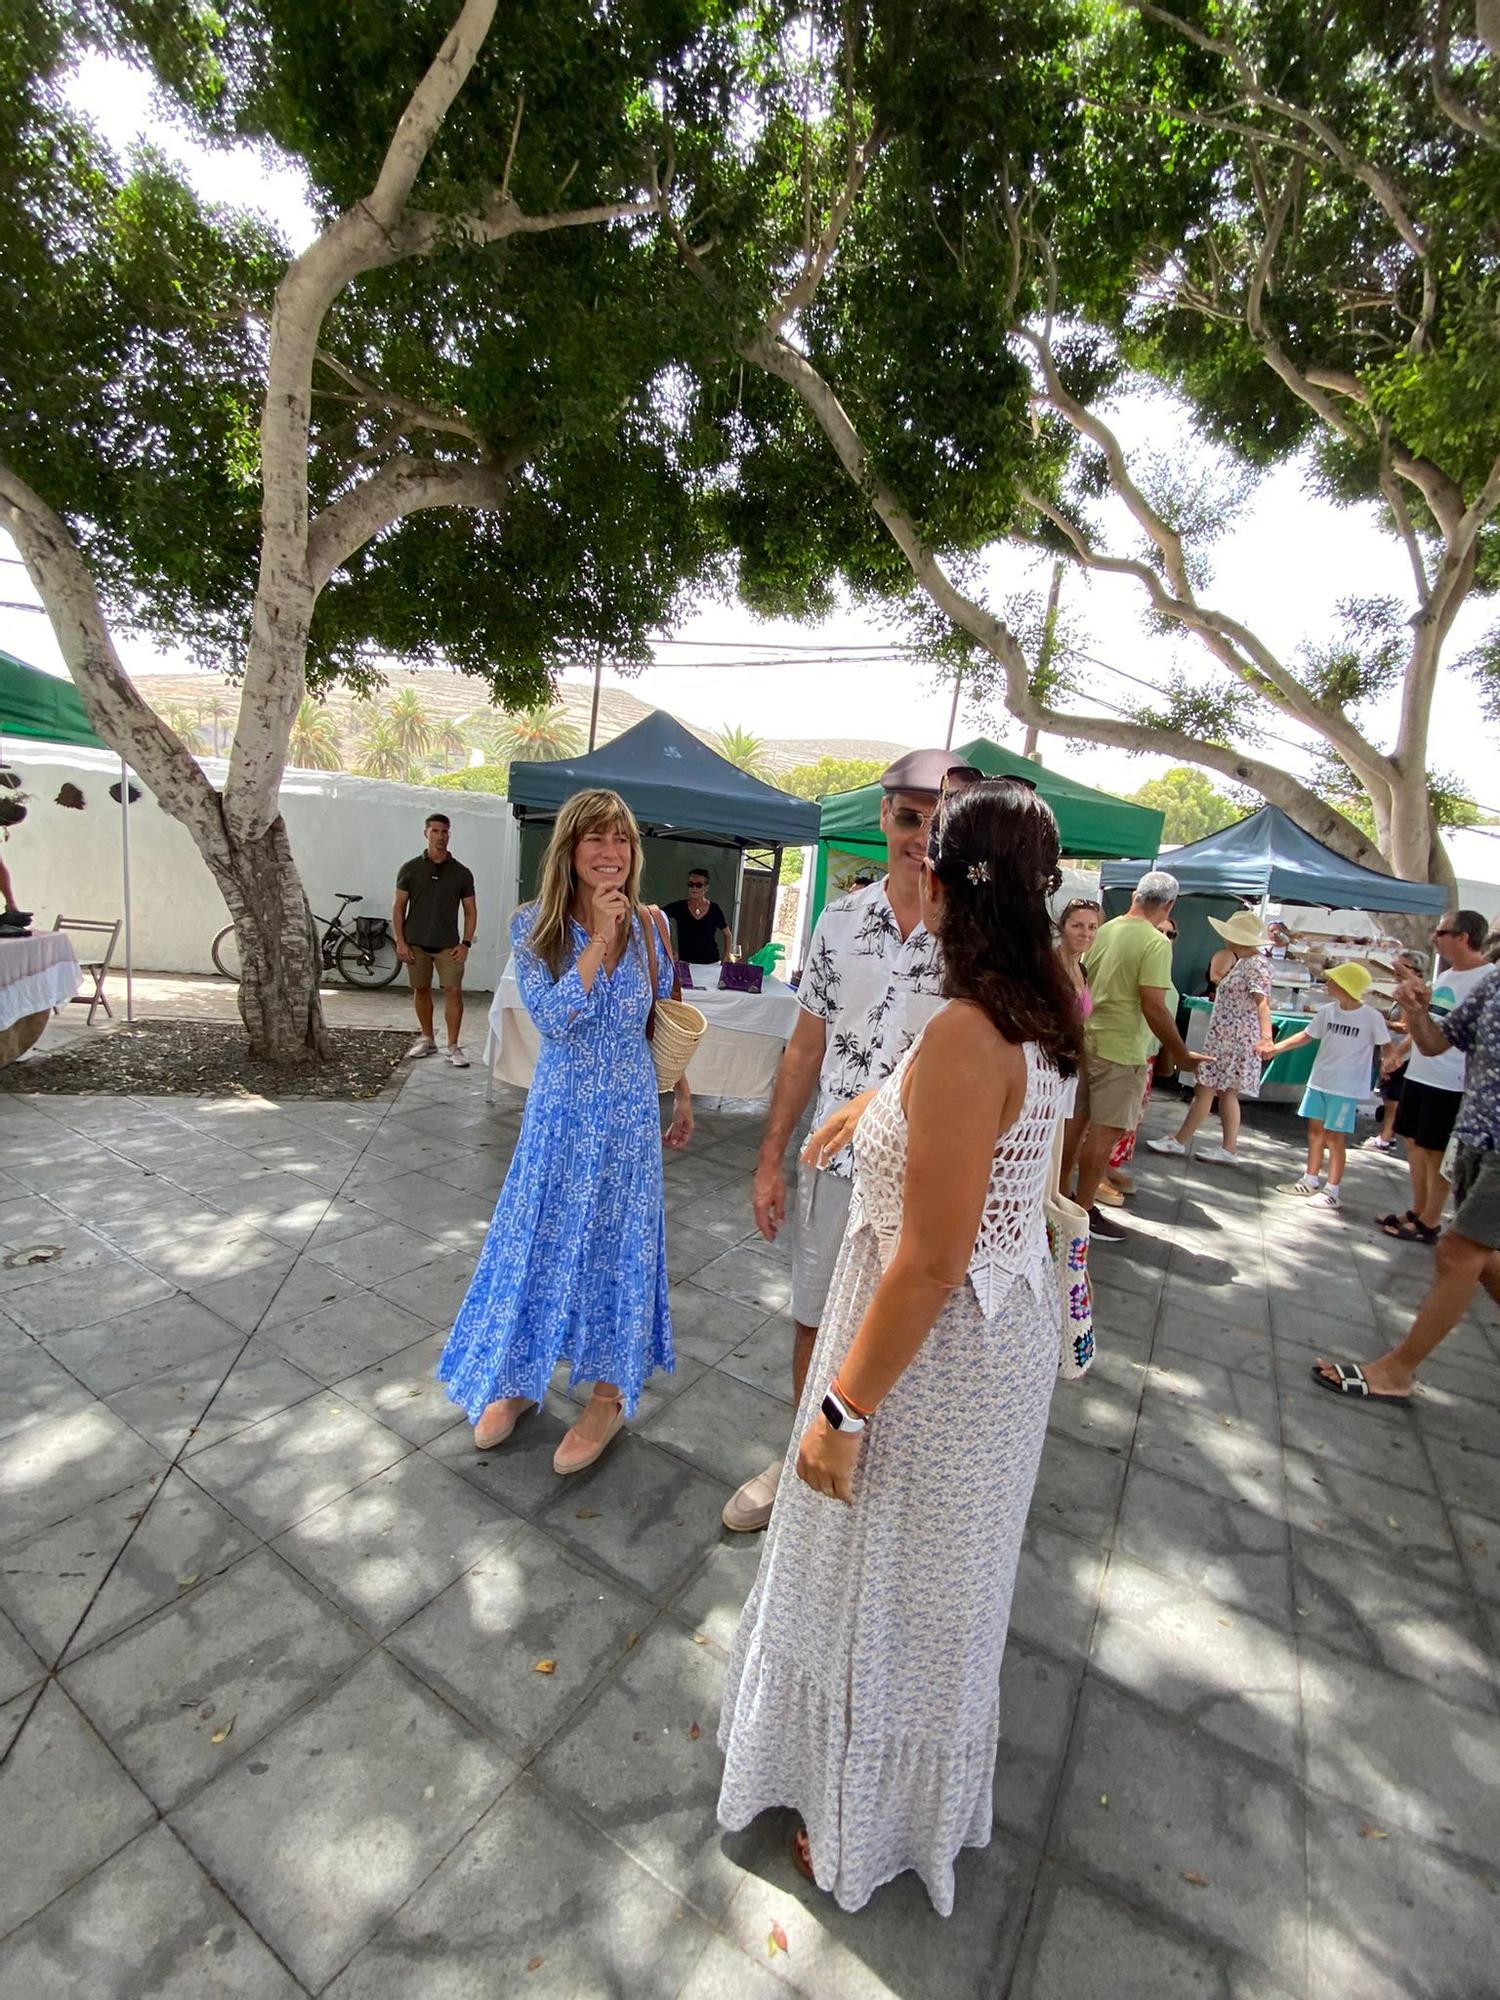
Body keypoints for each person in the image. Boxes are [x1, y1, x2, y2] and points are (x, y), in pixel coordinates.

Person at [716, 782, 1082, 1916]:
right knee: (938, 1588)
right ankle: (882, 1792)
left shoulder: (974, 1029)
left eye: (928, 847)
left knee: (895, 1587)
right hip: (997, 1330)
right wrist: (877, 1097)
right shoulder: (1046, 1001)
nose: (909, 858)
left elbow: (930, 1255)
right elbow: (973, 1108)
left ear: (949, 882)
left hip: (937, 1351)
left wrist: (840, 1410)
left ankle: (862, 1815)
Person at [721, 748, 975, 1534]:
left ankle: (880, 1487)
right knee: (812, 1319)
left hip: (928, 1177)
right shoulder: (838, 922)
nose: (923, 836)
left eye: (945, 820)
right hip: (833, 1167)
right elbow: (804, 1049)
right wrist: (769, 1160)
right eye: (909, 816)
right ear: (883, 817)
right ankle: (802, 1461)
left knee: (913, 1337)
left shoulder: (979, 937)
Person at [437, 789, 692, 1472]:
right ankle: (517, 1377)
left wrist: (684, 1097)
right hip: (560, 1113)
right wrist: (601, 941)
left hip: (631, 1115)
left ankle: (608, 1396)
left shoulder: (653, 926)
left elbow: (663, 1014)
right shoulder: (533, 925)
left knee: (619, 1248)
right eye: (596, 840)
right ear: (571, 851)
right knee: (534, 1240)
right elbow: (552, 1019)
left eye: (622, 841)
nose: (611, 854)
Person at [1312, 960, 1500, 1403]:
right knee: (1483, 1256)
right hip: (1477, 1135)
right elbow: (1437, 1043)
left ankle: (1396, 1372)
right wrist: (1416, 1010)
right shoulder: (1494, 981)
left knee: (1459, 1250)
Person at [1072, 870, 1202, 1241]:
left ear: (1135, 896)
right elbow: (1154, 1005)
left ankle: (1060, 1201)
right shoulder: (1155, 942)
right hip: (1122, 1049)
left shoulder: (1105, 929)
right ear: (1169, 905)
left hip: (1087, 1040)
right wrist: (1180, 1054)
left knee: (1075, 1126)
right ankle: (1082, 1212)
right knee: (1103, 1133)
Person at [1379, 912, 1492, 1244]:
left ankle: (1430, 1220)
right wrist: (1401, 1051)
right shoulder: (1445, 977)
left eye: (1441, 932)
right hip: (1421, 1073)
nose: (1434, 939)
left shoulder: (1486, 980)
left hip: (1451, 1081)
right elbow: (1430, 1024)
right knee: (1413, 1143)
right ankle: (1418, 1209)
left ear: (1464, 937)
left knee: (1435, 1151)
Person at [1260, 963, 1390, 1210]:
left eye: (1333, 980)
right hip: (1319, 1081)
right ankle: (1310, 1179)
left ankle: (1332, 1190)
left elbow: (1386, 1046)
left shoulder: (1371, 1017)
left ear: (1345, 985)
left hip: (1345, 1088)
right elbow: (1307, 1035)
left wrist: (1389, 1062)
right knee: (1314, 1132)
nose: (1327, 984)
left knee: (1335, 1138)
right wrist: (1276, 1048)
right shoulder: (1328, 1012)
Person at [1148, 911, 1272, 1164]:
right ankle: (1228, 1148)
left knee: (1206, 1088)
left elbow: (1262, 1003)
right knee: (1225, 1092)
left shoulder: (1254, 965)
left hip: (1232, 1039)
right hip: (1229, 1037)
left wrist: (1266, 1036)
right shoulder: (1247, 962)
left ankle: (1181, 1140)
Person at [1101, 911, 1178, 1201]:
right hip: (1124, 1052)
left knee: (1131, 1121)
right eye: (1160, 931)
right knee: (1111, 1121)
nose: (1165, 938)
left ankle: (1110, 1168)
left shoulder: (1163, 966)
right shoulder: (1141, 957)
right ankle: (1097, 1176)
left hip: (1146, 1055)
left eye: (1171, 934)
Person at [393, 814, 478, 1067]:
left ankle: (453, 1046)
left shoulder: (461, 873)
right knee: (421, 989)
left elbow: (471, 911)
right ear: (426, 833)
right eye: (435, 831)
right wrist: (400, 941)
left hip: (448, 946)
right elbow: (398, 907)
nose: (440, 836)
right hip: (416, 942)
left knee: (453, 991)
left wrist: (466, 943)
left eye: (445, 831)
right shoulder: (410, 869)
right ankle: (427, 1038)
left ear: (449, 835)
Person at [1054, 896, 1100, 1193]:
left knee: (1061, 1135)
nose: (1086, 933)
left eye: (1093, 927)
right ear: (1063, 927)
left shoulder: (1081, 969)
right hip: (1050, 1061)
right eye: (1078, 926)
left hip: (1070, 1063)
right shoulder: (1050, 964)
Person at [1364, 951, 1424, 1154]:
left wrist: (1378, 1019)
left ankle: (1386, 1137)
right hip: (1395, 1052)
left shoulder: (1413, 993)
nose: (1397, 970)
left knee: (1392, 1098)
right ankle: (1387, 1135)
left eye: (1404, 966)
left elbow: (1406, 1027)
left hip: (1401, 1054)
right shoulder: (1404, 991)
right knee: (1389, 1096)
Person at [664, 869, 732, 966]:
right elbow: (657, 915)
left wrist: (726, 958)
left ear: (706, 888)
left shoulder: (714, 909)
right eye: (690, 884)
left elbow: (728, 935)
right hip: (686, 964)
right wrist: (667, 949)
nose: (694, 888)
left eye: (698, 885)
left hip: (711, 964)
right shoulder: (679, 907)